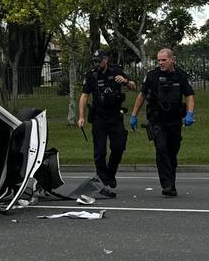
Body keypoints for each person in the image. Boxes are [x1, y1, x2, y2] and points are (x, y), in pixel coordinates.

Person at [129, 48, 195, 197]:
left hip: (175, 121)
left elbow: (189, 95)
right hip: (157, 121)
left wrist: (190, 113)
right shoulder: (152, 76)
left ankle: (171, 182)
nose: (160, 63)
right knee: (161, 150)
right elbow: (142, 95)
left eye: (163, 60)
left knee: (172, 153)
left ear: (172, 59)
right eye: (158, 60)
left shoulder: (180, 76)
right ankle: (167, 184)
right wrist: (134, 115)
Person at [78, 50, 136, 196]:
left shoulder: (116, 70)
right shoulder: (92, 75)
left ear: (106, 60)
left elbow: (133, 86)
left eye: (98, 61)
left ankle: (111, 173)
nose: (96, 64)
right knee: (99, 151)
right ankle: (103, 178)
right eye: (94, 61)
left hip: (115, 116)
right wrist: (81, 117)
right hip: (99, 117)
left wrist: (126, 82)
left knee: (118, 147)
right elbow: (84, 96)